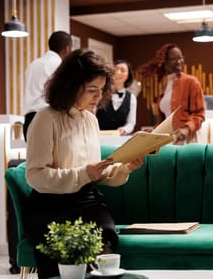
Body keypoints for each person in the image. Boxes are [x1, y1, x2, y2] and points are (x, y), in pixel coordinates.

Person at [23, 49, 144, 279]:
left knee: (103, 257)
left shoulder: (90, 120)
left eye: (101, 90)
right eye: (92, 90)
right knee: (69, 258)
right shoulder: (45, 118)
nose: (98, 97)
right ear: (71, 86)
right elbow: (36, 176)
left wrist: (126, 167)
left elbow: (97, 173)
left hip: (87, 203)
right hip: (50, 207)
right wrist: (83, 173)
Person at [138, 43, 205, 145]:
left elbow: (199, 114)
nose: (179, 62)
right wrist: (153, 131)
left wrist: (186, 129)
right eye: (173, 59)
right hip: (168, 139)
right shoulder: (165, 86)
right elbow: (166, 119)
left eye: (181, 58)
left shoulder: (191, 82)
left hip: (186, 139)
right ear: (164, 62)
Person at [22, 30, 73, 140]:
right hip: (48, 118)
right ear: (67, 48)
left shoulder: (33, 64)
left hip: (28, 120)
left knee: (33, 157)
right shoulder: (60, 66)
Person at [96, 59, 137, 135]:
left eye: (122, 70)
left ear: (128, 75)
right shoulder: (101, 93)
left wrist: (124, 129)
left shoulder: (132, 98)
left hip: (120, 139)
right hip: (99, 137)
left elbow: (131, 123)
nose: (118, 72)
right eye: (116, 69)